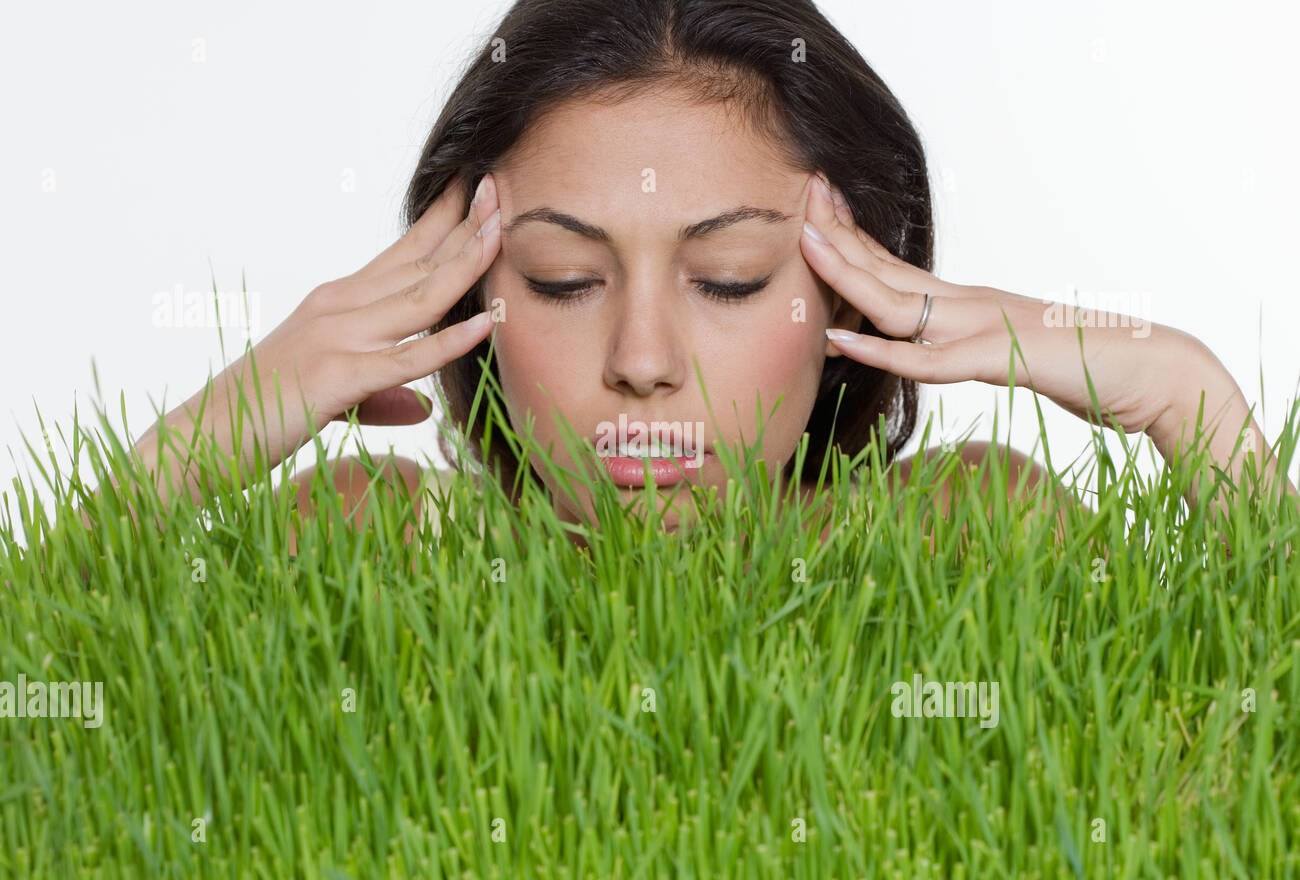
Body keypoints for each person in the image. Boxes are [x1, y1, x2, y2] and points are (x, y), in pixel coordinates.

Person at [127, 0, 1294, 552]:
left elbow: (1239, 784)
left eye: (730, 279)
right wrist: (197, 441)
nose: (642, 365)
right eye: (563, 278)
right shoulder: (366, 542)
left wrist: (1186, 397)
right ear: (461, 295)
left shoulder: (968, 531)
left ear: (849, 288)